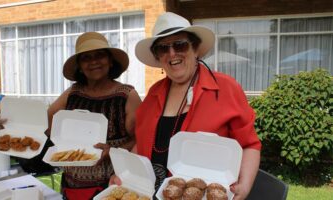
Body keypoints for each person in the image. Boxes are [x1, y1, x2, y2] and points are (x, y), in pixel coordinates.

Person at [111, 12, 261, 200]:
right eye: (163, 48)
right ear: (158, 57)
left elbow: (249, 145)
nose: (172, 53)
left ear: (196, 48)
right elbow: (140, 145)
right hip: (152, 194)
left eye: (180, 44)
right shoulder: (153, 93)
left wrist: (245, 185)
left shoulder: (226, 88)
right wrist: (126, 176)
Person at [47, 32, 141, 199]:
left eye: (100, 55)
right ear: (80, 66)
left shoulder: (126, 95)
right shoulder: (73, 92)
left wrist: (113, 150)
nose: (94, 61)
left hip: (111, 187)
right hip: (72, 186)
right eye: (86, 58)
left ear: (110, 61)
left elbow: (139, 139)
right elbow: (51, 120)